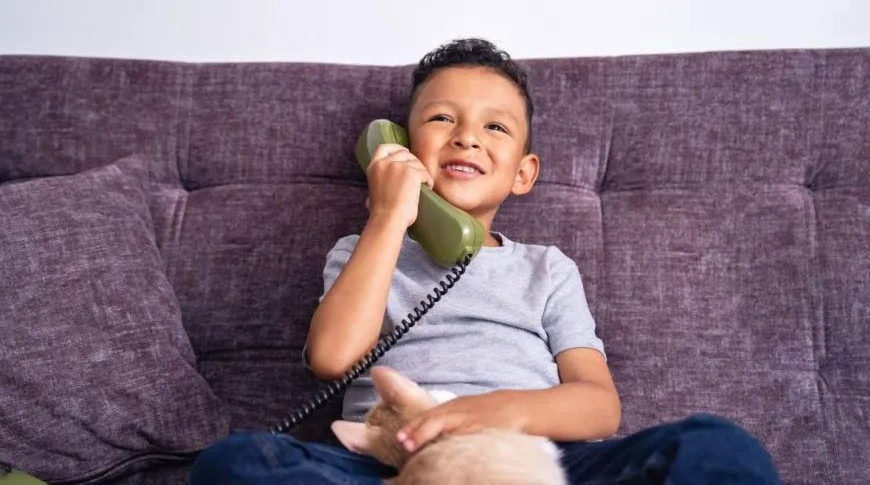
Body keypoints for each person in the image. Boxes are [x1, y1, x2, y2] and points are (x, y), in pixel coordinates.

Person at [189, 37, 782, 485]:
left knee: (718, 447)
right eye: (442, 118)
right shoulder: (362, 251)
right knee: (238, 461)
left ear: (524, 173)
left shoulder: (546, 269)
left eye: (494, 126)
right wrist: (389, 215)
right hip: (391, 461)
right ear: (396, 146)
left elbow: (600, 406)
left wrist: (491, 413)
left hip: (536, 458)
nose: (467, 137)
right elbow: (333, 358)